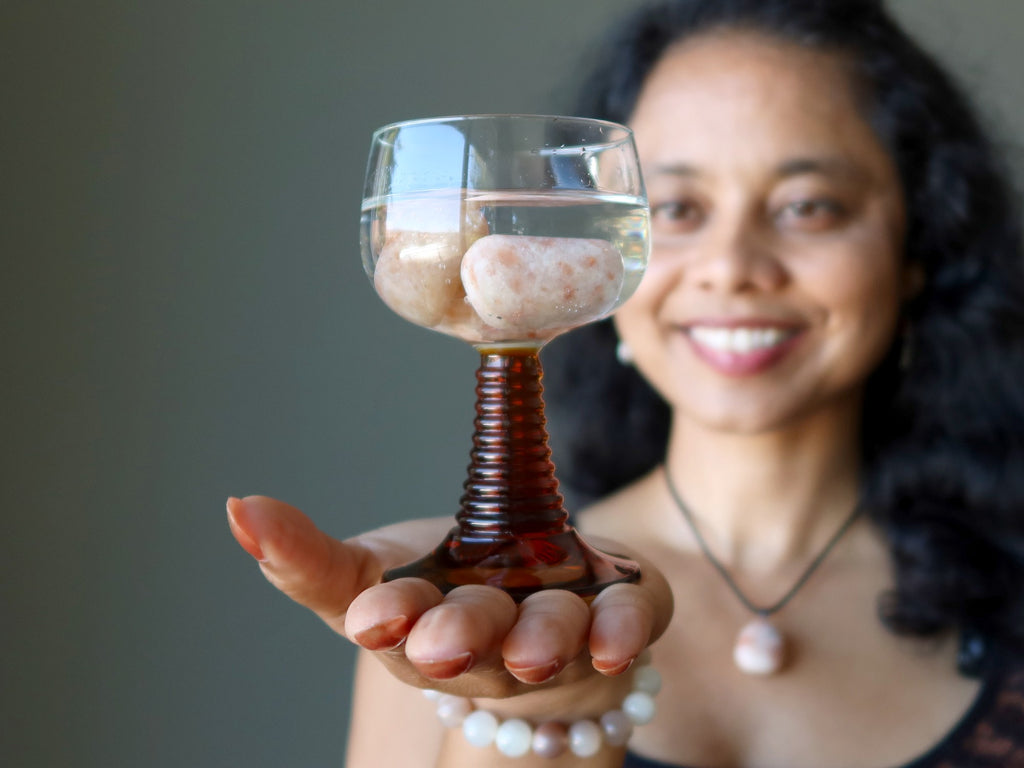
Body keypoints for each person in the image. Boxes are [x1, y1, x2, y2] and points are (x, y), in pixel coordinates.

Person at [226, 0, 1024, 765]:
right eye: (675, 207)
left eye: (808, 206)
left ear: (920, 244)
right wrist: (539, 717)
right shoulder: (440, 630)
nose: (732, 269)